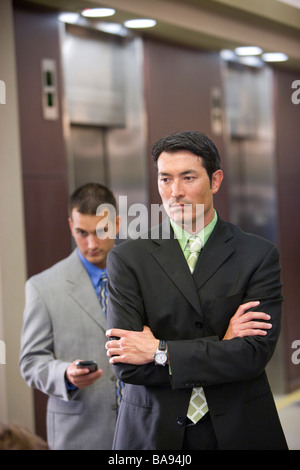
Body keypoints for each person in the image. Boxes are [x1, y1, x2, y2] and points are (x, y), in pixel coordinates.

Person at [105, 131, 288, 450]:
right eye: (165, 179)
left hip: (240, 427)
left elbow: (252, 356)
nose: (174, 192)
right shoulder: (128, 258)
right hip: (154, 431)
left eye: (188, 177)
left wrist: (159, 351)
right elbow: (126, 365)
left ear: (215, 180)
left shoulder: (257, 255)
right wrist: (223, 345)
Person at [19, 183, 121, 450]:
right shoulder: (43, 287)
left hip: (142, 431)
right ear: (70, 225)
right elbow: (30, 361)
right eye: (81, 232)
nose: (92, 244)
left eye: (101, 231)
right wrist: (64, 373)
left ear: (117, 224)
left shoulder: (144, 277)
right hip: (80, 433)